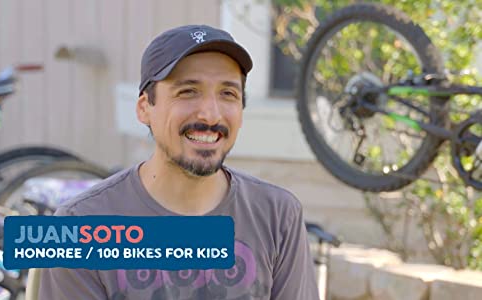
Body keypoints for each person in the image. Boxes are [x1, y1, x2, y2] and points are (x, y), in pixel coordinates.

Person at [38, 24, 319, 300]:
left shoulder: (278, 216)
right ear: (144, 108)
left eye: (228, 94)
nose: (210, 114)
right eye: (188, 91)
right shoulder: (80, 227)